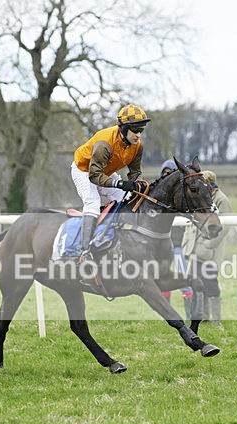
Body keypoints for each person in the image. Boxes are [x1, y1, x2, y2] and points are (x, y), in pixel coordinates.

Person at [71, 104, 150, 262]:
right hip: (85, 170)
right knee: (93, 203)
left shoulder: (137, 146)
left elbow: (134, 172)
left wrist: (136, 183)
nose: (138, 135)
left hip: (104, 171)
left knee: (127, 198)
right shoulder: (104, 143)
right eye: (135, 130)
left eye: (141, 130)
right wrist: (121, 184)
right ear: (123, 128)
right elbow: (94, 176)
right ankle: (85, 252)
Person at [182, 170, 232, 325]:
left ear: (209, 183)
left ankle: (217, 320)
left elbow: (226, 225)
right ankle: (203, 317)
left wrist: (208, 245)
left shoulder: (222, 200)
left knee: (210, 285)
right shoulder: (203, 197)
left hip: (210, 251)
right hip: (195, 249)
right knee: (197, 283)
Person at [159, 159, 194, 319]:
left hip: (178, 245)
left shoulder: (182, 197)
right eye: (164, 173)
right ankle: (168, 316)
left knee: (183, 282)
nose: (166, 176)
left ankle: (190, 316)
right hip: (163, 247)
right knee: (162, 280)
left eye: (169, 173)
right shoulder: (159, 196)